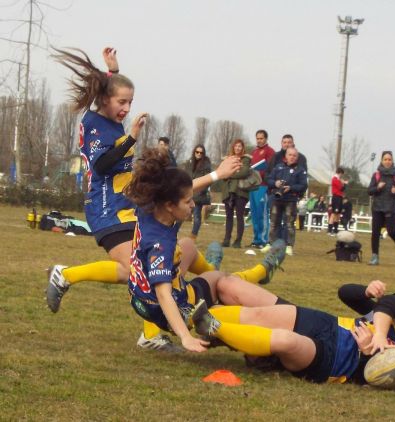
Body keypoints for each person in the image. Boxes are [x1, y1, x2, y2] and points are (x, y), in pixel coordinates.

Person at [46, 46, 179, 351]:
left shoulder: (110, 117)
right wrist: (131, 137)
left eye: (130, 102)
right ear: (105, 100)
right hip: (105, 209)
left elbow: (111, 94)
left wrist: (114, 72)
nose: (126, 108)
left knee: (134, 269)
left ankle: (65, 276)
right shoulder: (94, 124)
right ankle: (149, 335)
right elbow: (102, 165)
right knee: (143, 268)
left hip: (126, 207)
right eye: (122, 102)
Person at [192, 279, 395, 392]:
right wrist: (378, 335)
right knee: (258, 316)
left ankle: (214, 327)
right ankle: (194, 318)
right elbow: (390, 303)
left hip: (334, 362)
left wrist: (375, 359)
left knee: (284, 341)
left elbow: (375, 378)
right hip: (330, 325)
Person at [125, 148, 290, 352]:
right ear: (169, 205)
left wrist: (217, 175)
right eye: (188, 202)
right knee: (220, 279)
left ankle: (213, 265)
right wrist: (185, 337)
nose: (193, 204)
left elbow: (185, 189)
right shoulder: (160, 245)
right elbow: (163, 295)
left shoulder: (151, 207)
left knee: (187, 246)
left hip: (138, 296)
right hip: (174, 309)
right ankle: (261, 271)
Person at [264, 147, 307, 256]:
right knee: (273, 222)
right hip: (276, 199)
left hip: (290, 200)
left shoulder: (300, 170)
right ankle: (270, 244)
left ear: (297, 157)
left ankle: (289, 246)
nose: (292, 157)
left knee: (289, 224)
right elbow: (268, 179)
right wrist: (275, 183)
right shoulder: (278, 167)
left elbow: (303, 185)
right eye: (290, 155)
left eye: (294, 155)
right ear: (286, 156)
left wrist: (291, 187)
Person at [367, 151, 395, 266]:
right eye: (385, 159)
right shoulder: (376, 175)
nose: (387, 161)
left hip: (390, 207)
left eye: (389, 159)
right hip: (377, 207)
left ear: (392, 161)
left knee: (391, 231)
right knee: (375, 232)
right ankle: (375, 256)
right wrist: (377, 188)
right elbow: (369, 191)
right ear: (381, 161)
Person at [221, 139, 252, 248]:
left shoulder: (246, 159)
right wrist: (233, 172)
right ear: (233, 147)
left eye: (240, 146)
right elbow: (222, 172)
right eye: (236, 146)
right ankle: (226, 239)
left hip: (240, 191)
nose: (238, 148)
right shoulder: (228, 159)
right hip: (228, 191)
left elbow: (244, 172)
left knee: (239, 216)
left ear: (243, 148)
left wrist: (230, 174)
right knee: (228, 216)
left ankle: (238, 240)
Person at [249, 130, 275, 248]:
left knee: (262, 214)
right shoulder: (254, 152)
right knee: (254, 214)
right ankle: (256, 239)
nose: (259, 140)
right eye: (257, 138)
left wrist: (262, 172)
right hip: (253, 186)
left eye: (261, 138)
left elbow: (271, 169)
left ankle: (263, 240)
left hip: (263, 186)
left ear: (266, 139)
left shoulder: (270, 152)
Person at [185, 144, 212, 241]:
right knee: (181, 215)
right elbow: (186, 176)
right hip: (187, 192)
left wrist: (200, 190)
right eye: (197, 152)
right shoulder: (189, 163)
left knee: (196, 215)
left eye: (201, 152)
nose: (199, 154)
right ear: (194, 152)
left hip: (199, 194)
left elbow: (208, 179)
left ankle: (193, 236)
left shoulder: (206, 164)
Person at [328, 168, 348, 235]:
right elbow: (341, 188)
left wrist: (342, 182)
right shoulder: (335, 179)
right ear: (339, 173)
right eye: (341, 174)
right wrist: (345, 183)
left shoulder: (338, 180)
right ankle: (329, 230)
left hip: (339, 198)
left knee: (338, 214)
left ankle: (335, 230)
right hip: (336, 197)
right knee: (334, 214)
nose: (341, 176)